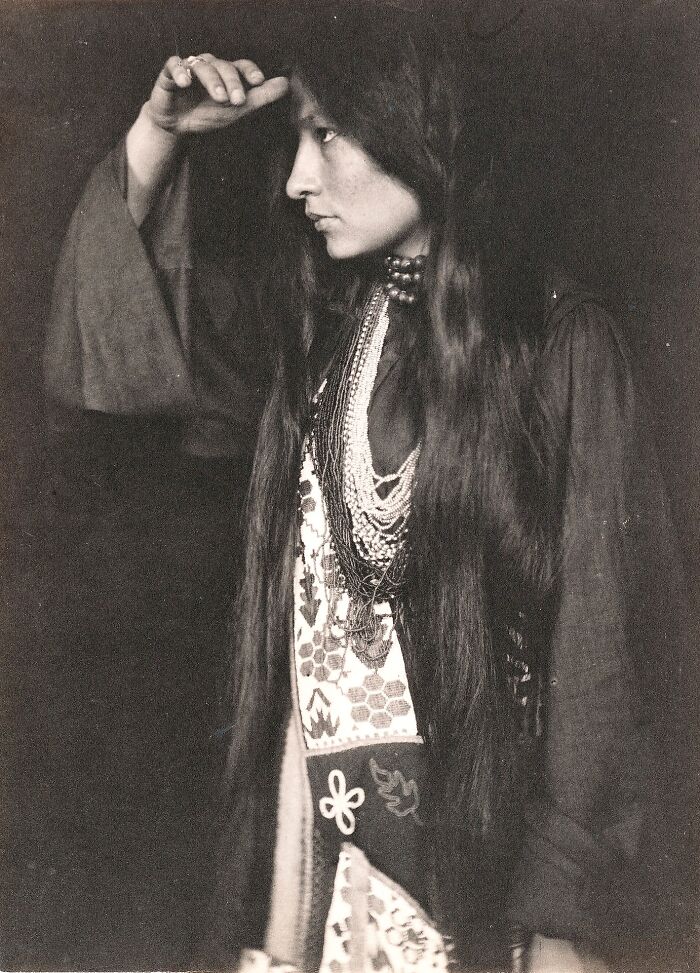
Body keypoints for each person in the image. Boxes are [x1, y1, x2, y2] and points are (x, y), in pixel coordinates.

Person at [45, 6, 676, 972]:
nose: (298, 177)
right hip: (322, 887)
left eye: (327, 133)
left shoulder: (557, 349)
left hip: (483, 898)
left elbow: (602, 667)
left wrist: (563, 934)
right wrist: (157, 137)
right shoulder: (316, 339)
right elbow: (122, 361)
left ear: (419, 122)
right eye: (299, 136)